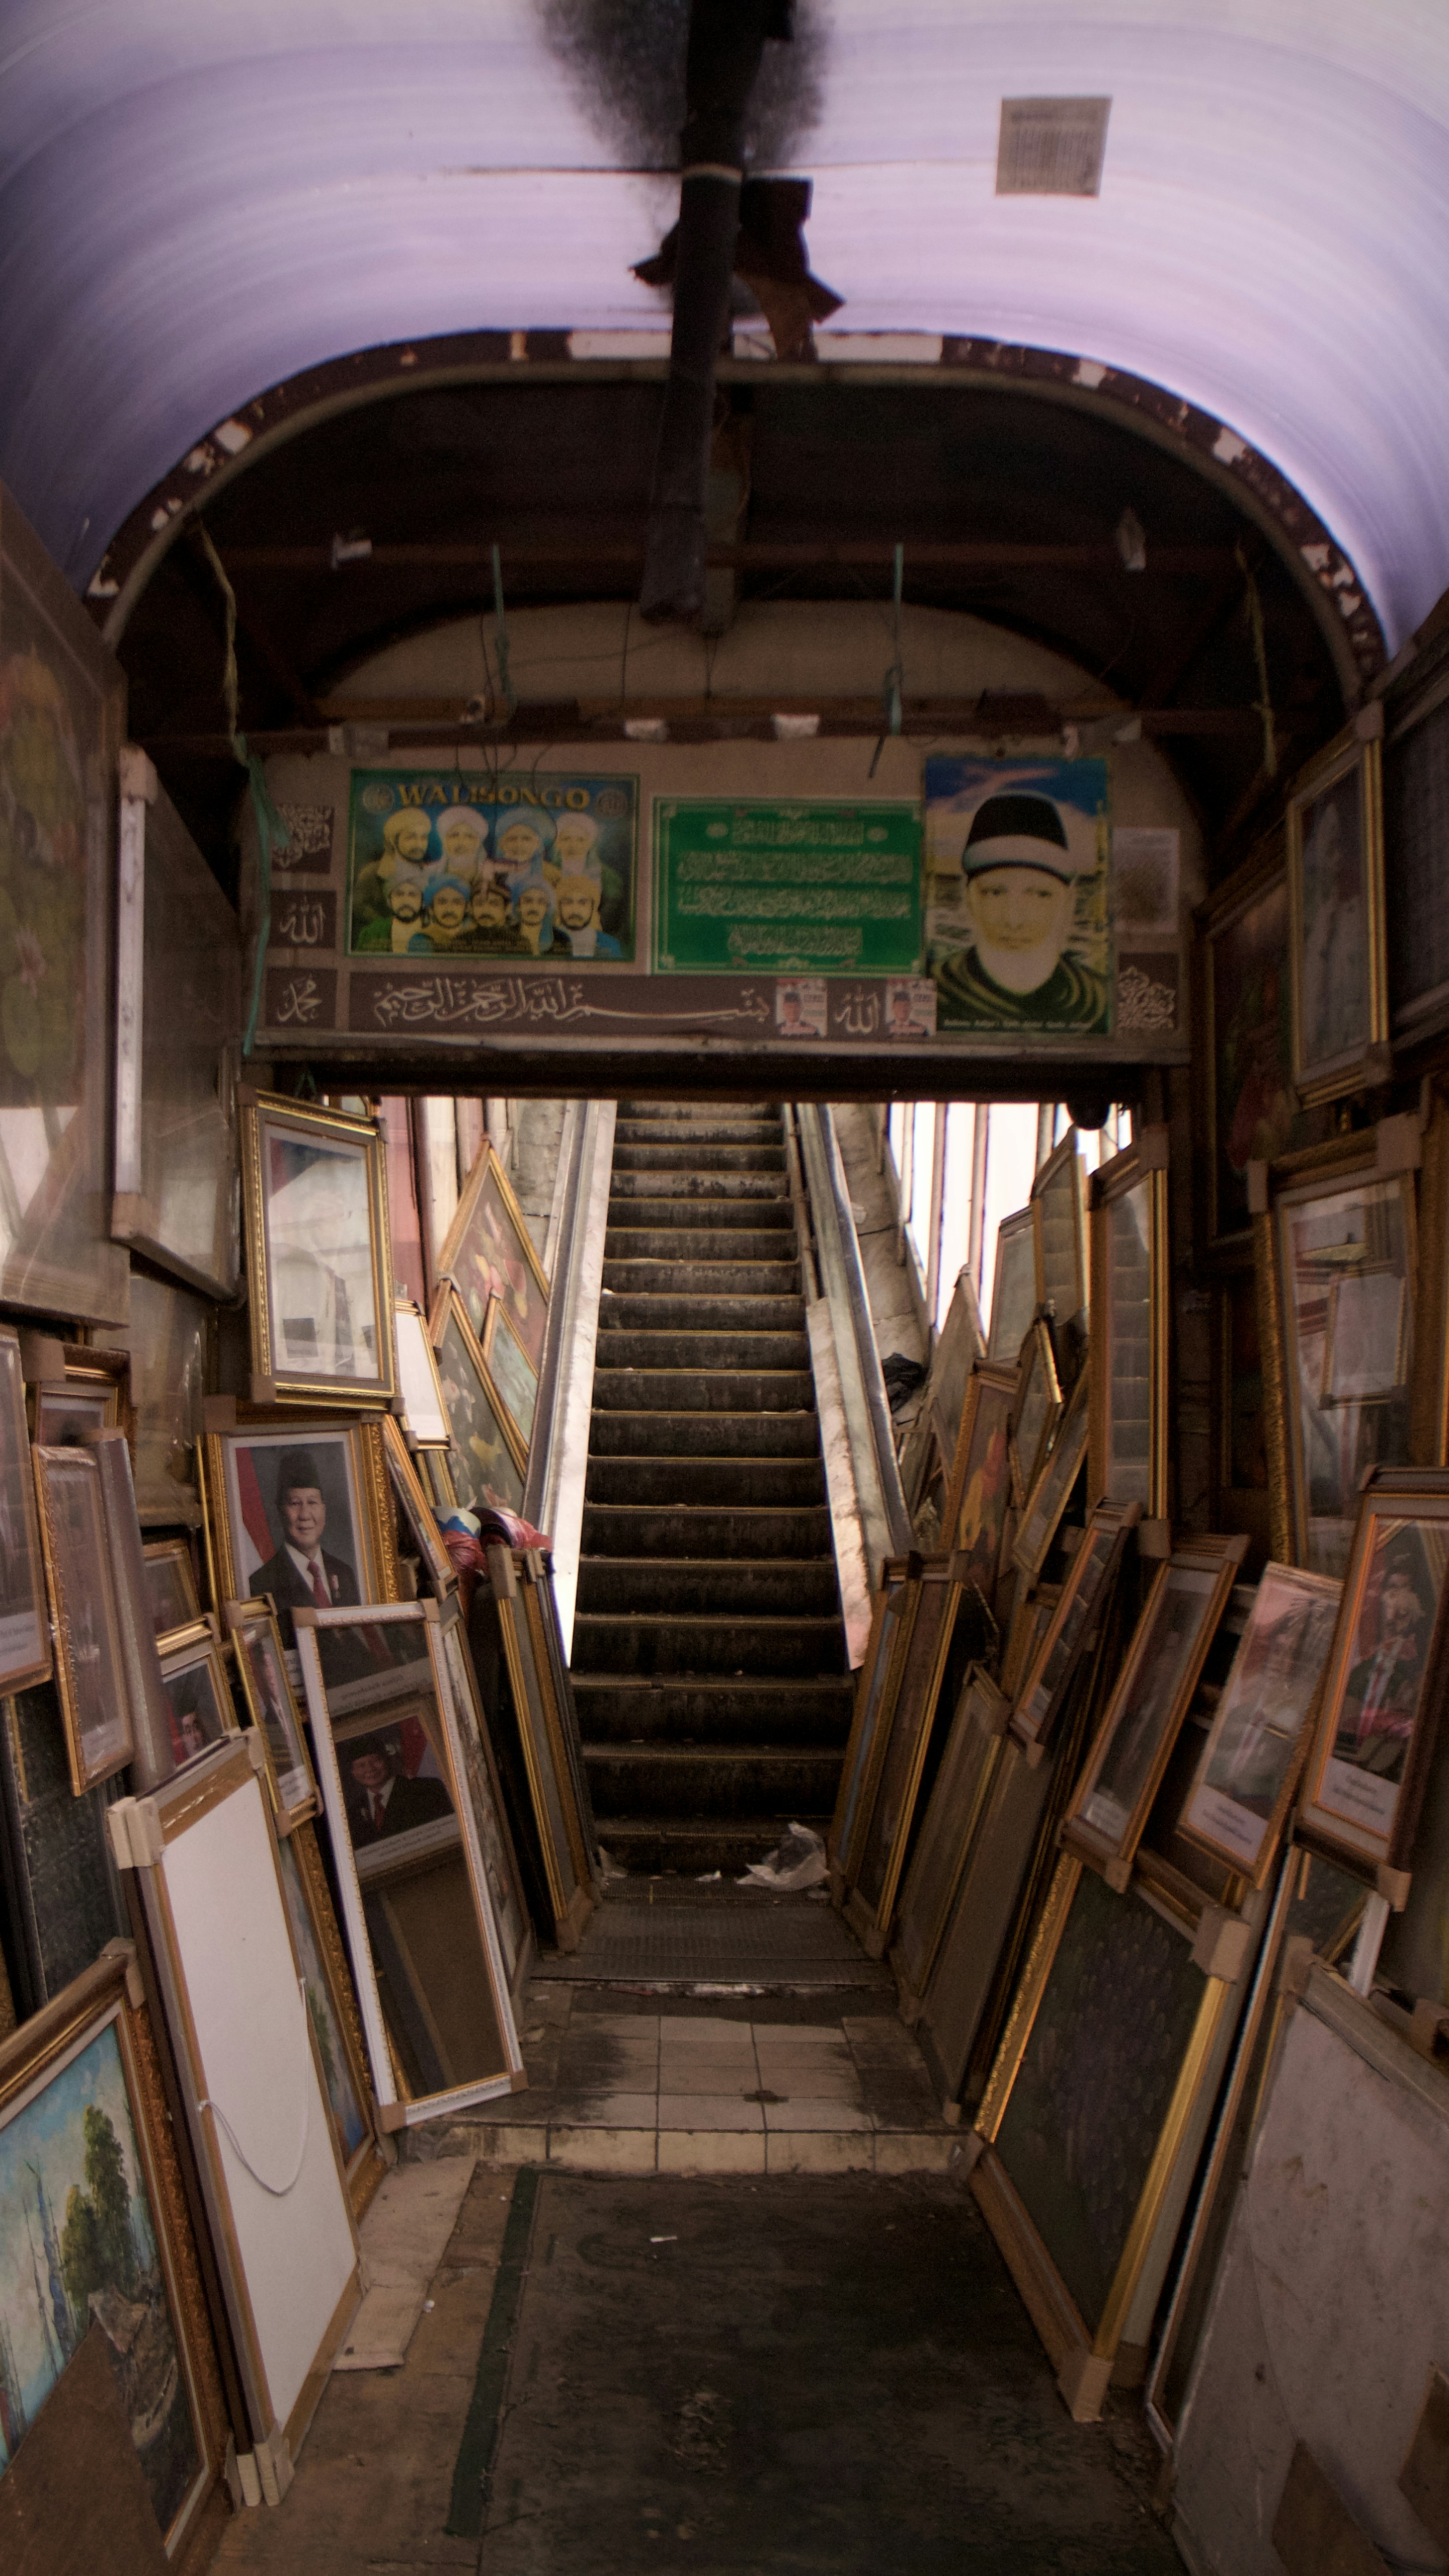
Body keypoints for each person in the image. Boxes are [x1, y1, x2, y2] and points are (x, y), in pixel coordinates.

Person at [933, 790, 1107, 1030]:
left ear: (1066, 902)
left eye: (1039, 894)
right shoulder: (933, 990)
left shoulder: (1100, 1000)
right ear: (970, 899)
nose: (1014, 921)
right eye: (995, 892)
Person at [1335, 1544, 1432, 1780]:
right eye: (1391, 1588)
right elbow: (1345, 1727)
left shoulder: (1425, 1665)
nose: (1395, 1597)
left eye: (1405, 1588)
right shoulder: (1365, 1670)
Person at [249, 1449, 361, 1644]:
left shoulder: (345, 1573)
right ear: (280, 1511)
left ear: (324, 1510)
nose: (305, 1515)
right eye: (295, 1503)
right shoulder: (261, 1584)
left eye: (312, 1502)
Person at [343, 1738, 454, 1846]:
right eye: (361, 1765)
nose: (370, 1769)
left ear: (388, 1760)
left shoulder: (427, 1789)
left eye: (375, 1760)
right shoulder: (352, 1814)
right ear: (353, 1772)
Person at [355, 866, 432, 954]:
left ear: (423, 901)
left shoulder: (436, 934)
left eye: (412, 895)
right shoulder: (371, 933)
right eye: (399, 894)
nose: (405, 901)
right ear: (390, 900)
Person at [555, 872, 621, 959]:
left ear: (593, 908)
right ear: (559, 907)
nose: (575, 909)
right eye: (568, 902)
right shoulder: (549, 941)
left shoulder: (610, 945)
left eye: (583, 903)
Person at [494, 810, 557, 890]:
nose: (519, 845)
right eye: (512, 839)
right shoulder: (492, 873)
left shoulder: (552, 876)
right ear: (502, 844)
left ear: (537, 843)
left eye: (526, 839)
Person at [421, 876, 475, 952]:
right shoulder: (422, 938)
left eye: (457, 902)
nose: (449, 909)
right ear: (431, 909)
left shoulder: (476, 936)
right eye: (442, 902)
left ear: (467, 908)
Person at [512, 872, 557, 956]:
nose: (534, 907)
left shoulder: (560, 939)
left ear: (547, 908)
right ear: (518, 906)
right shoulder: (507, 936)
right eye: (528, 901)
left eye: (541, 902)